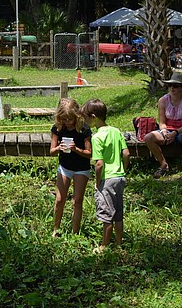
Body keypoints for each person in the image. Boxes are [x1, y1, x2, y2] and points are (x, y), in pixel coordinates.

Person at [81, 98, 130, 252]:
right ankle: (119, 243)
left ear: (93, 117)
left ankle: (104, 246)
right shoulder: (116, 131)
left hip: (106, 179)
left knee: (106, 215)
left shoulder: (97, 137)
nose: (85, 121)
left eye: (86, 118)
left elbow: (99, 164)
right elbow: (126, 153)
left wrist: (97, 182)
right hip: (119, 177)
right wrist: (123, 170)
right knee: (118, 213)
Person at [49, 98, 92, 237]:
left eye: (70, 119)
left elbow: (89, 154)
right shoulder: (58, 128)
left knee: (77, 200)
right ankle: (56, 229)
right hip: (65, 167)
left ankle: (75, 233)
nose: (67, 122)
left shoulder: (84, 129)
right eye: (64, 119)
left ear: (77, 116)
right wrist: (59, 148)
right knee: (60, 199)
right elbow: (51, 151)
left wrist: (76, 149)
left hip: (81, 167)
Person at [145, 72, 182, 177]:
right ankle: (163, 164)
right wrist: (164, 132)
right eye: (170, 85)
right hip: (167, 130)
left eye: (176, 86)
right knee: (148, 138)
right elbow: (162, 122)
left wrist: (175, 132)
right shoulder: (163, 100)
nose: (172, 88)